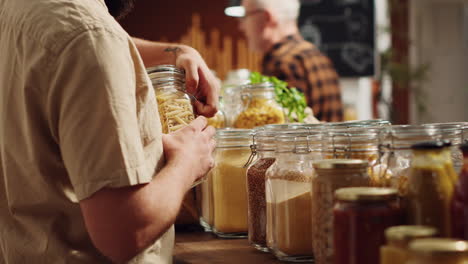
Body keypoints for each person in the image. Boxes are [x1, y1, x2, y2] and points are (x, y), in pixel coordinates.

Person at [0, 0, 218, 263]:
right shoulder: (90, 37)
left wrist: (174, 52)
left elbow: (69, 40)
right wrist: (187, 162)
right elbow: (124, 232)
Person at [239, 0, 344, 122]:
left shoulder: (280, 63)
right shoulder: (318, 55)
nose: (241, 26)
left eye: (246, 16)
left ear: (268, 18)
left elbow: (281, 131)